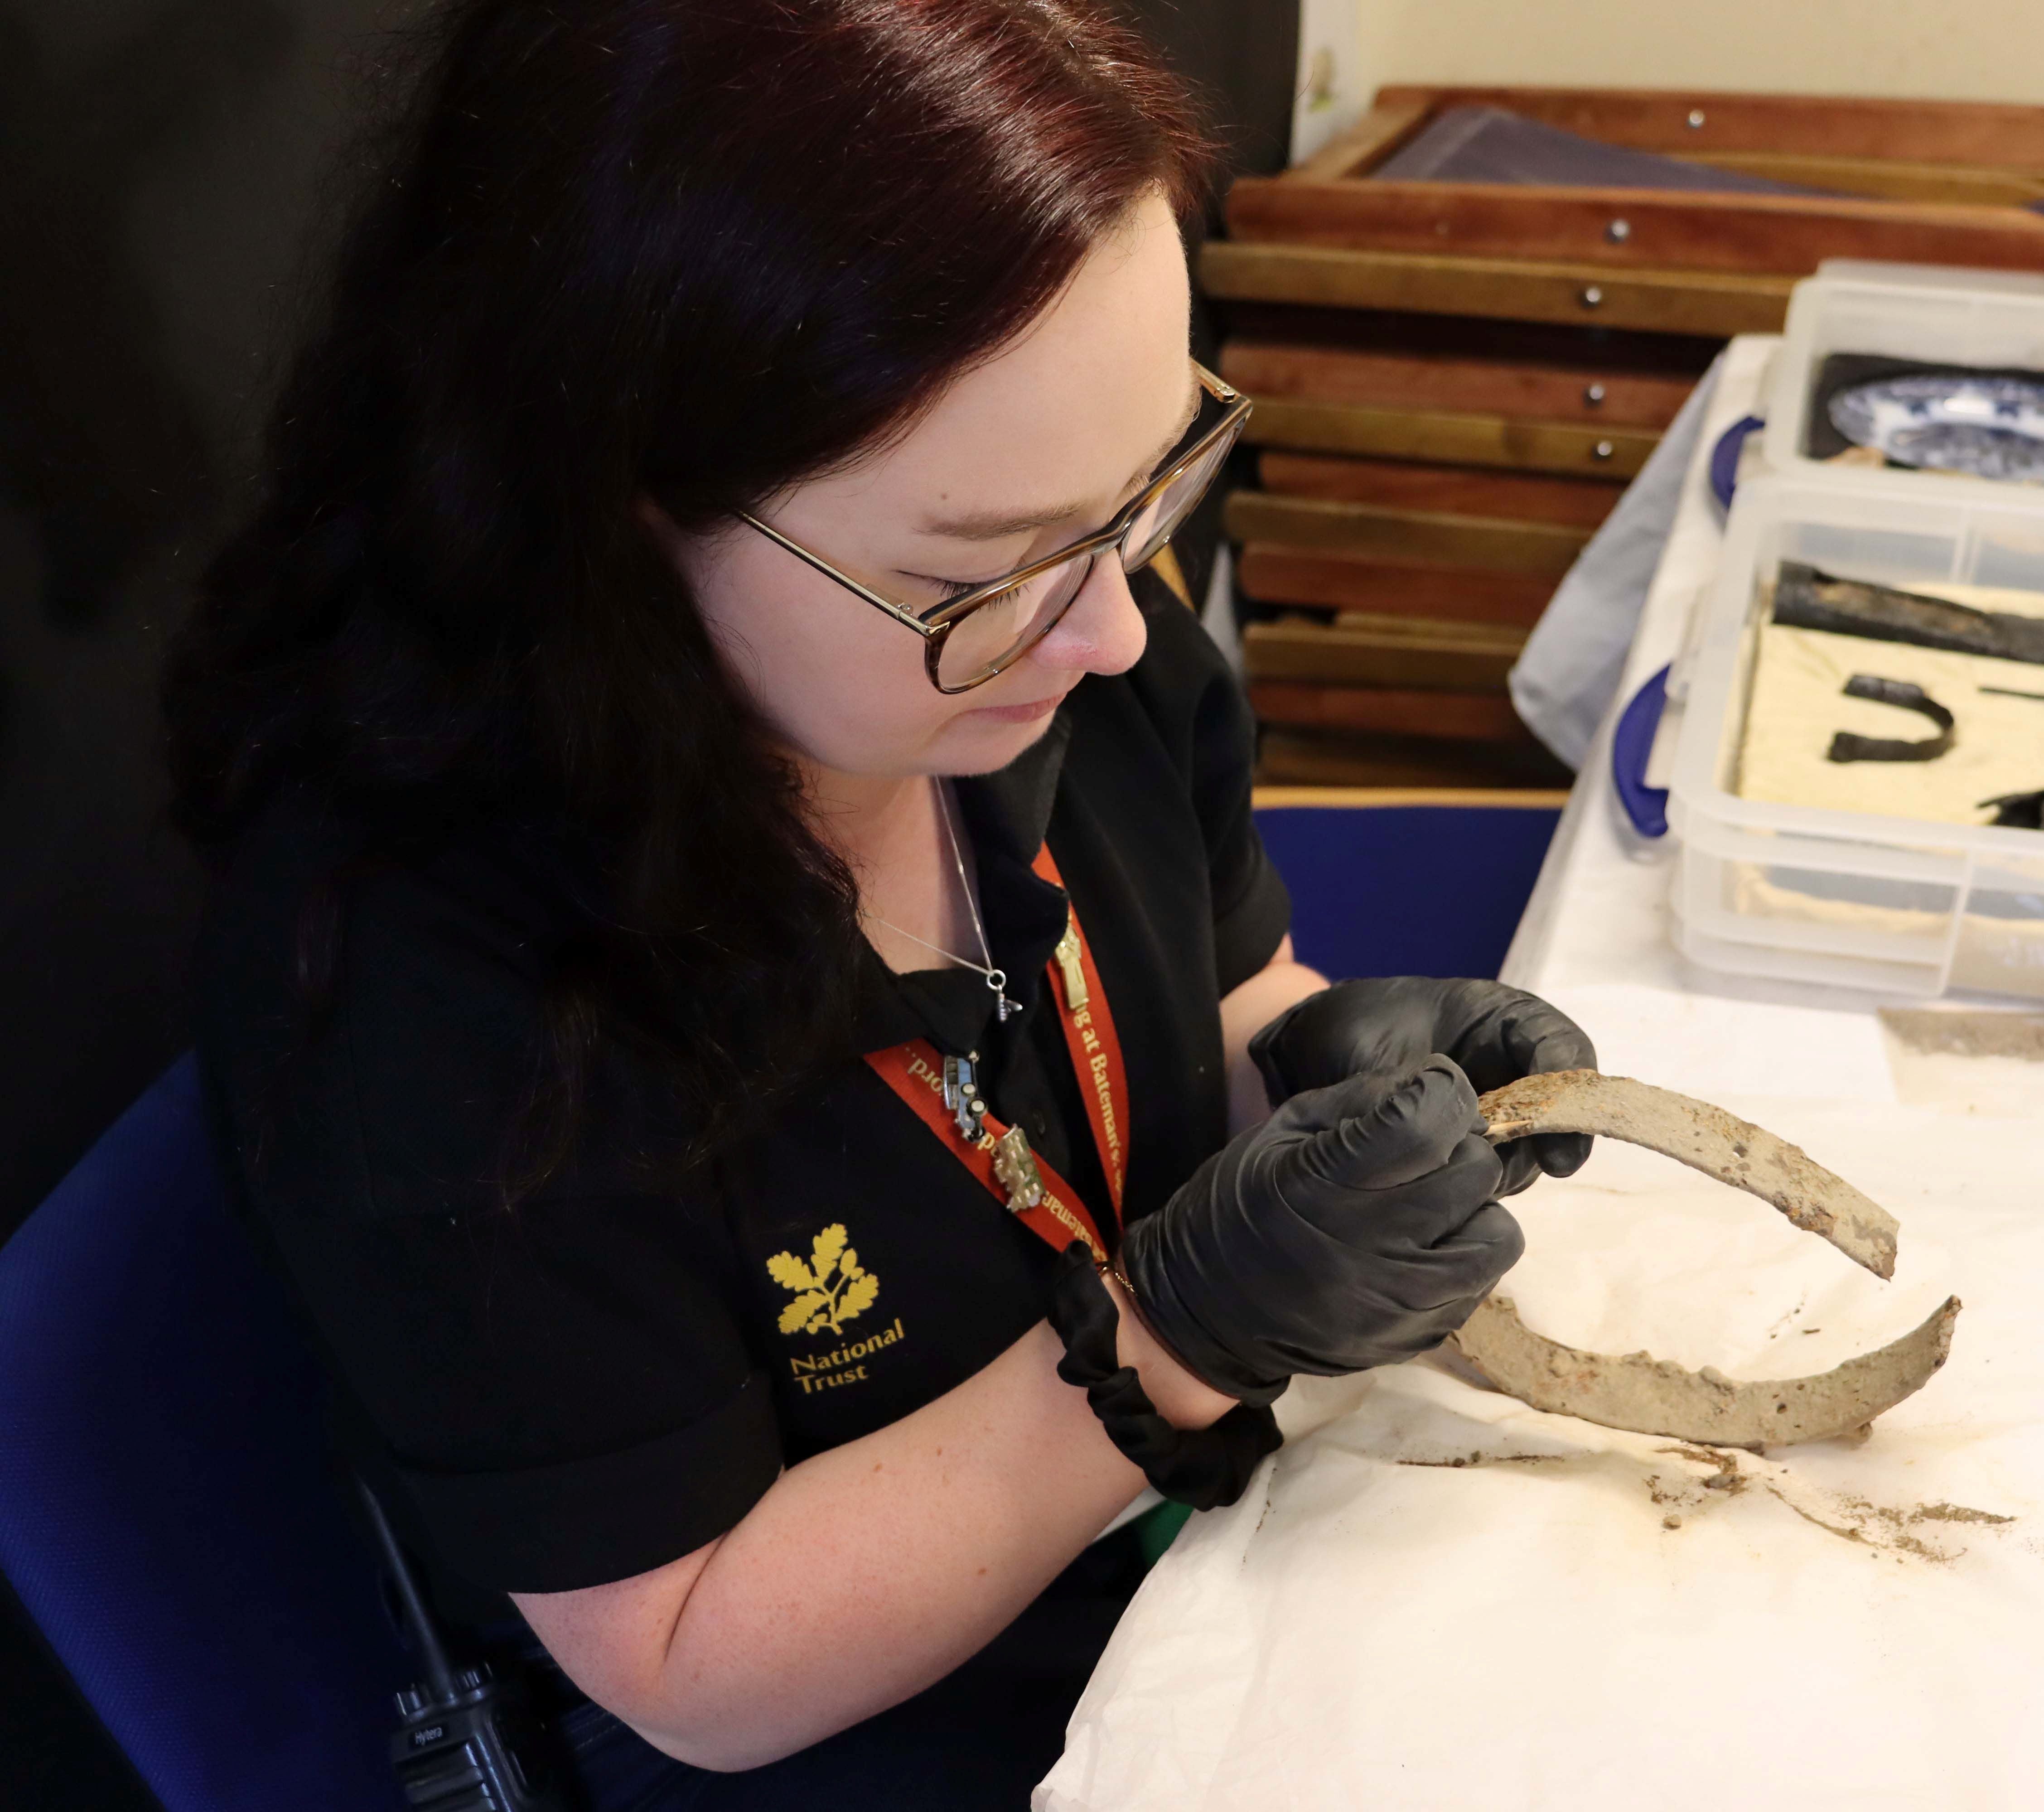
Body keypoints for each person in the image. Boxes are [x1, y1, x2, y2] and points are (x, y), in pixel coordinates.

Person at [162, 2, 1598, 1805]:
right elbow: (694, 1660)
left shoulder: (1073, 644)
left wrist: (1319, 1075)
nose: (1117, 630)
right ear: (619, 509)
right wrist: (1176, 1339)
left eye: (1147, 486)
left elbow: (1219, 985)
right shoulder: (431, 985)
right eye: (980, 569)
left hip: (1199, 1579)